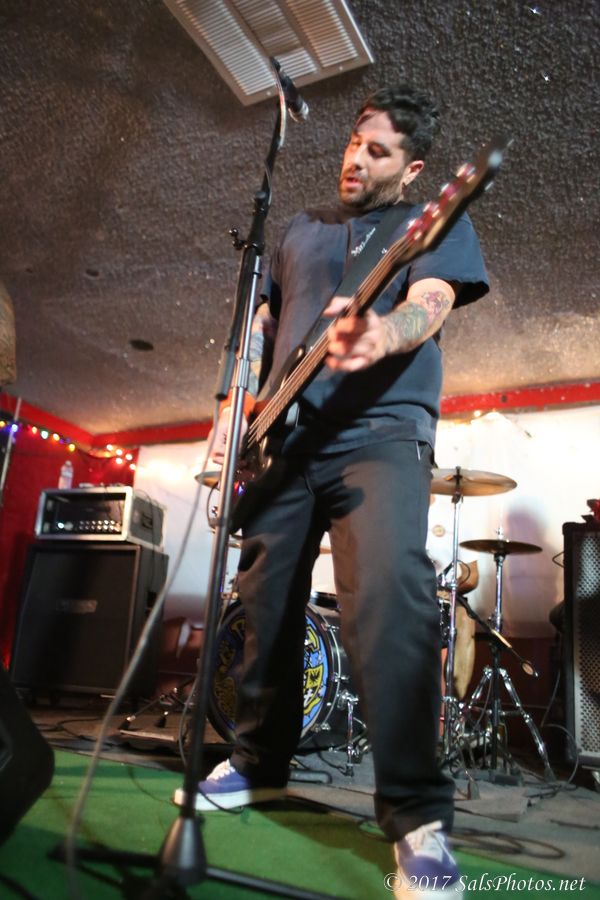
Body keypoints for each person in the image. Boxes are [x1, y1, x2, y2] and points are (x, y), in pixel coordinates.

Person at [176, 83, 489, 898]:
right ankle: (258, 763)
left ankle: (417, 819)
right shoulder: (299, 229)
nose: (356, 158)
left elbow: (432, 301)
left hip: (379, 432)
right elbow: (262, 326)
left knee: (388, 597)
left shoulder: (430, 224)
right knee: (264, 604)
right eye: (355, 142)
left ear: (412, 169)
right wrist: (233, 412)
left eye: (377, 152)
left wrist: (382, 333)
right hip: (284, 441)